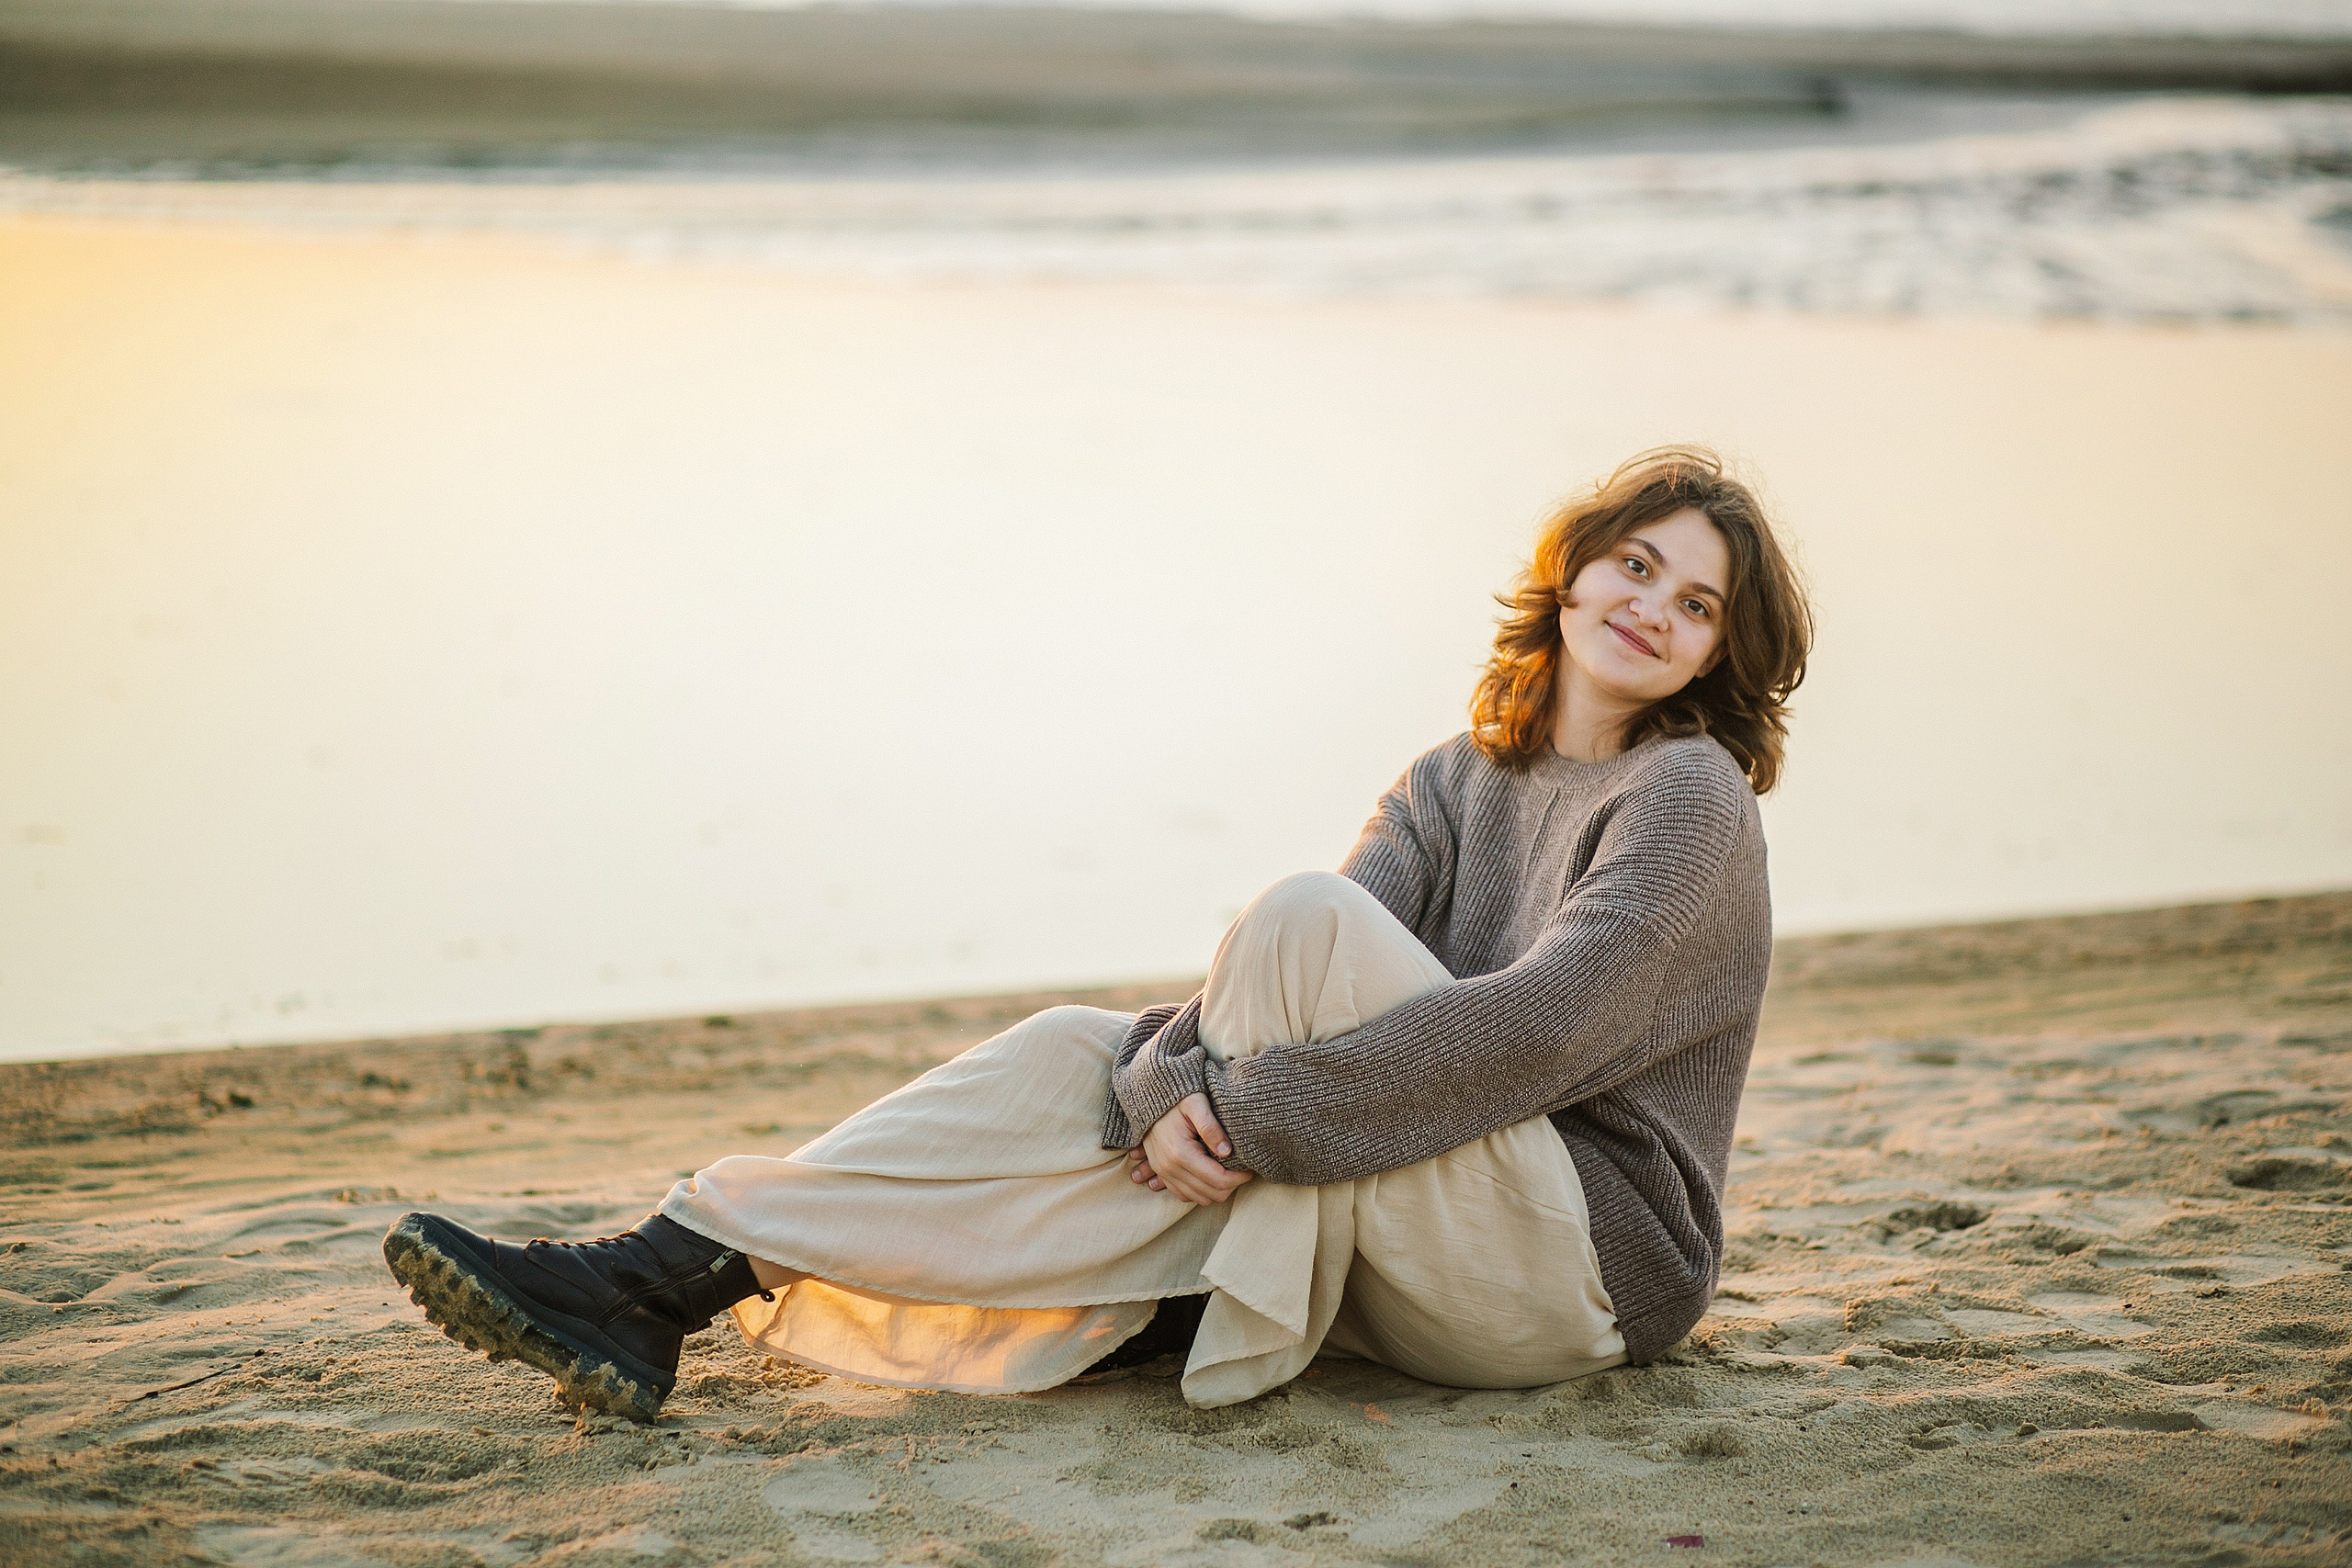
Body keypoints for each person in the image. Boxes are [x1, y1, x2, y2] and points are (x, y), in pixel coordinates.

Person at [382, 445, 1814, 1421]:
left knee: (1297, 928)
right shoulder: (1461, 774)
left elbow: (1545, 1029)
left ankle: (692, 1278)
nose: (1653, 611)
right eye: (1636, 567)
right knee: (1085, 1047)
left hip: (1578, 1275)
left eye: (1697, 608)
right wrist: (1162, 1084)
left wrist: (1234, 1112)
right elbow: (1272, 985)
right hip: (1415, 1232)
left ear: (1717, 656)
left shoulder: (1687, 797)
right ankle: (673, 1263)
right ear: (1570, 574)